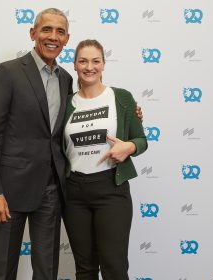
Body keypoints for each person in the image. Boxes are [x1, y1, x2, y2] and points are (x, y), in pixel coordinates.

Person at [0, 8, 72, 280]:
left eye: (60, 31)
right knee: (2, 269)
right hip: (9, 192)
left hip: (51, 190)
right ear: (33, 34)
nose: (53, 37)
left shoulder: (66, 79)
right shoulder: (7, 72)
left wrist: (128, 114)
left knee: (47, 271)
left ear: (66, 39)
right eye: (46, 29)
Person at [63, 39, 148, 280]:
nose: (89, 67)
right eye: (83, 61)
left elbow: (141, 140)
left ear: (103, 64)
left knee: (114, 267)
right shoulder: (66, 104)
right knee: (85, 268)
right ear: (75, 65)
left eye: (95, 61)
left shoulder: (121, 97)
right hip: (74, 193)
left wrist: (129, 147)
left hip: (111, 189)